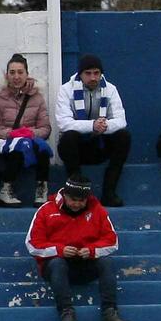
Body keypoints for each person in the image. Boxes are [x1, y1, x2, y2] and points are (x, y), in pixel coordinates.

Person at [25, 176, 129, 321]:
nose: (77, 204)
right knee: (57, 263)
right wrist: (59, 250)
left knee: (106, 262)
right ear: (65, 195)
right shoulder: (46, 210)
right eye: (73, 199)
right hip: (56, 267)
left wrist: (92, 250)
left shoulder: (98, 210)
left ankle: (109, 314)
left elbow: (112, 241)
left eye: (82, 200)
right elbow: (33, 244)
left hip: (85, 264)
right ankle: (67, 314)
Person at [54, 54, 130, 209]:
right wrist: (92, 126)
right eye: (88, 73)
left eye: (96, 73)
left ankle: (109, 193)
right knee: (69, 136)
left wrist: (104, 126)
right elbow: (63, 123)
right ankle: (76, 192)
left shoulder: (110, 89)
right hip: (75, 149)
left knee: (123, 136)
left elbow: (121, 120)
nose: (93, 77)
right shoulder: (66, 90)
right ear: (80, 74)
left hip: (100, 146)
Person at [0, 54, 55, 207]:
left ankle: (41, 189)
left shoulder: (37, 97)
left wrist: (30, 133)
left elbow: (45, 128)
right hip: (6, 143)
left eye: (20, 72)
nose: (16, 77)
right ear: (6, 75)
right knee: (19, 146)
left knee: (43, 148)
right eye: (12, 72)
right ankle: (6, 189)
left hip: (30, 140)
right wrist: (10, 134)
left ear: (27, 74)